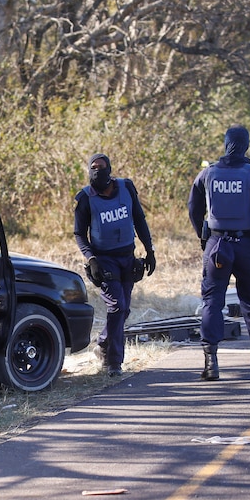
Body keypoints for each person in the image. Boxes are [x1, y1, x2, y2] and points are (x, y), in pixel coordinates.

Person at [187, 124, 250, 380]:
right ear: (245, 145)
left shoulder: (207, 174)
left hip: (216, 246)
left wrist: (203, 235)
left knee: (212, 301)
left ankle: (211, 363)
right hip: (245, 247)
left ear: (225, 144)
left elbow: (193, 208)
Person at [74, 153, 156, 376]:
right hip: (104, 260)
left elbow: (139, 219)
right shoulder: (85, 198)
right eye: (93, 167)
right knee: (117, 307)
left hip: (127, 256)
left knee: (124, 309)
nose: (97, 171)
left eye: (101, 167)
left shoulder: (126, 188)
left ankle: (102, 344)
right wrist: (91, 260)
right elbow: (79, 234)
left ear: (109, 169)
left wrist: (150, 250)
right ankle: (114, 363)